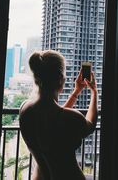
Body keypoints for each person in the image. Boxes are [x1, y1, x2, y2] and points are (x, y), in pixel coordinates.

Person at [19, 50, 98, 180]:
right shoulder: (70, 117)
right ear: (61, 78)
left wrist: (76, 92)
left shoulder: (25, 109)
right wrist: (94, 92)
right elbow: (90, 125)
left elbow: (55, 119)